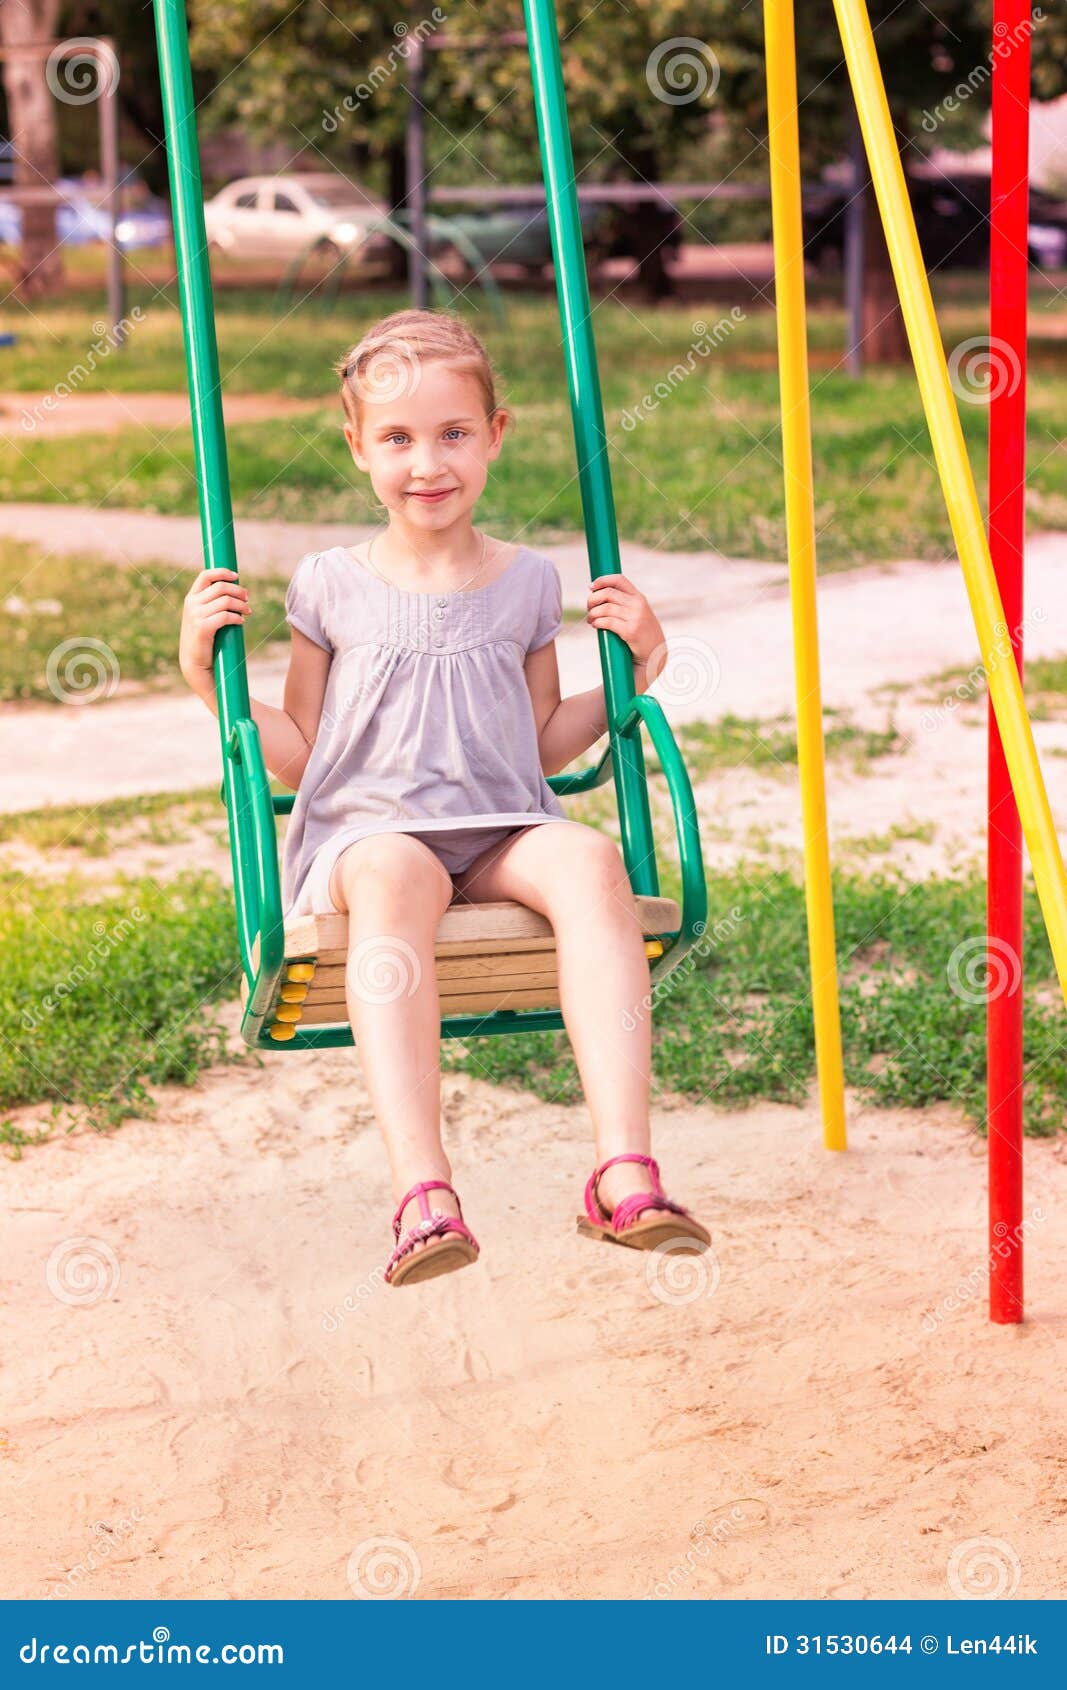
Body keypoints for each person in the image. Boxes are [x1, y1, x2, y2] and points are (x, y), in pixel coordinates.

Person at [179, 308, 710, 1287]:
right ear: (357, 447)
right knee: (391, 870)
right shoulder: (328, 585)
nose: (427, 462)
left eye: (452, 433)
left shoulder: (523, 582)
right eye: (397, 438)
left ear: (494, 434)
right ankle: (424, 1188)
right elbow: (297, 751)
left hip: (501, 826)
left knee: (591, 856)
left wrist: (632, 672)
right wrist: (207, 677)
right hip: (368, 837)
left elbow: (541, 738)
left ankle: (621, 1165)